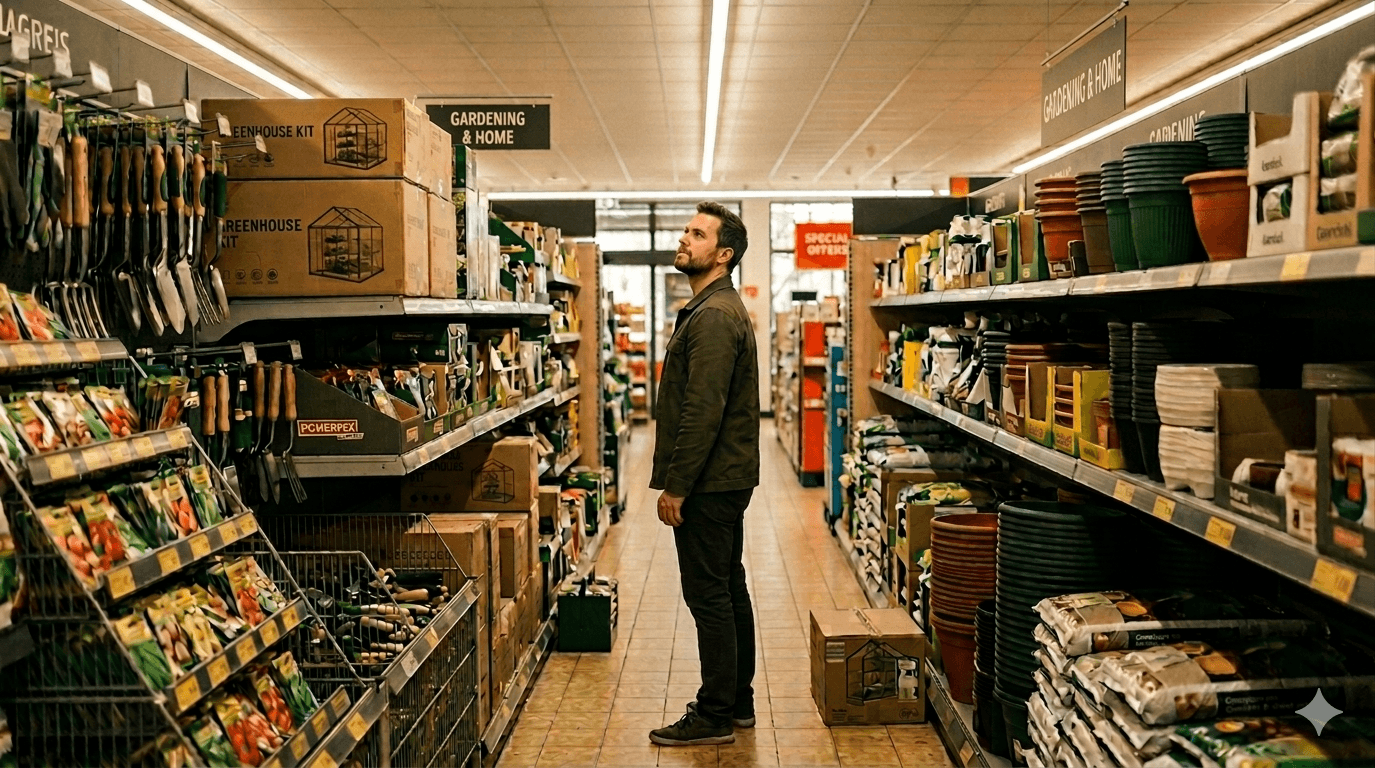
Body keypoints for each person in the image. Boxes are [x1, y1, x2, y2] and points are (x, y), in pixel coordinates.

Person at [648, 201, 761, 747]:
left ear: (723, 254)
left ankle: (715, 713)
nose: (684, 238)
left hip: (711, 481)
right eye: (685, 229)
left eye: (697, 233)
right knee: (728, 586)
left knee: (709, 595)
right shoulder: (711, 308)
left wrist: (677, 485)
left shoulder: (714, 316)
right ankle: (737, 702)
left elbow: (703, 409)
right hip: (724, 477)